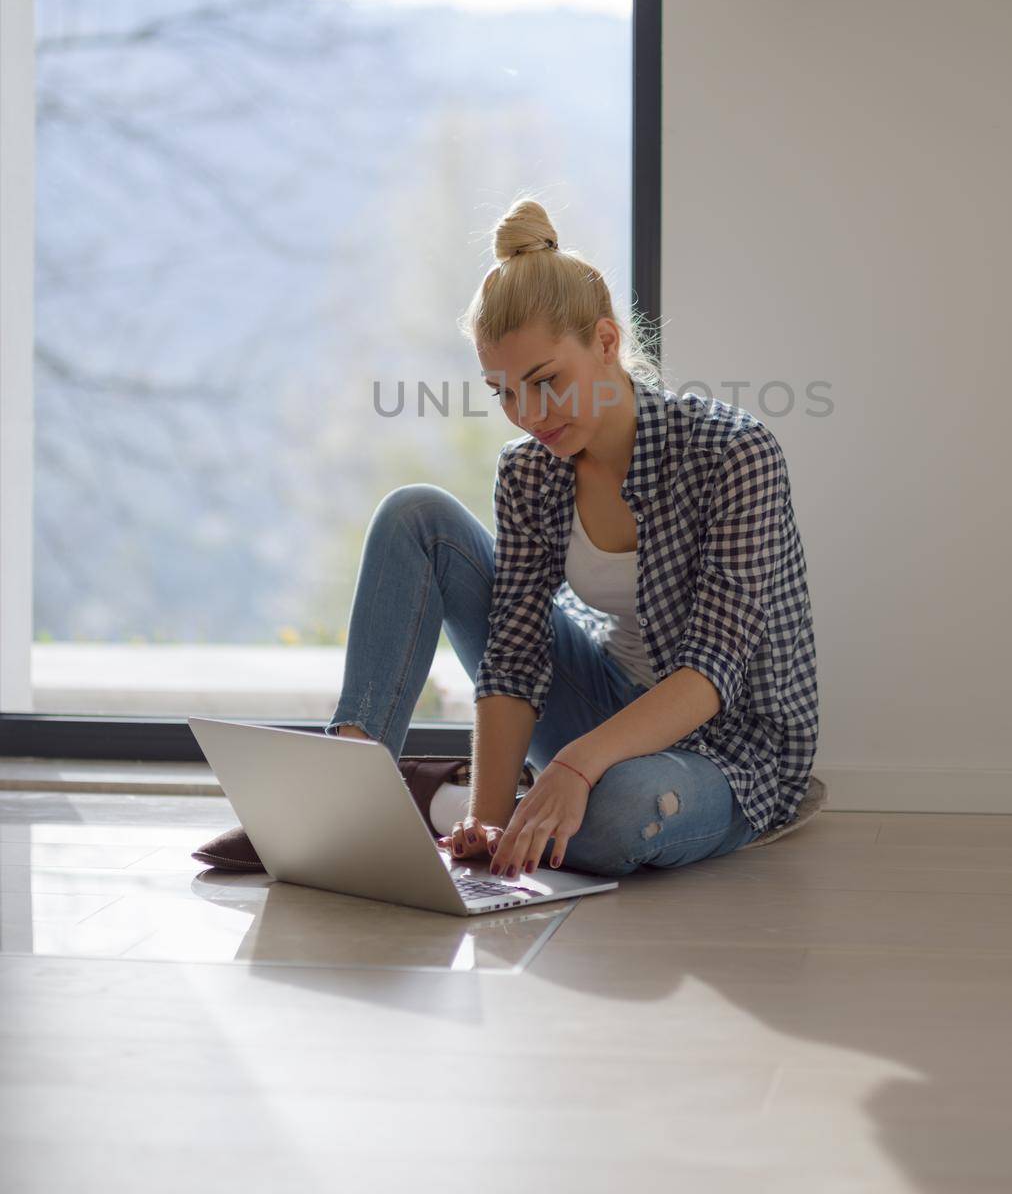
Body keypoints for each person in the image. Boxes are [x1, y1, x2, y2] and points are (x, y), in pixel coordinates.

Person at [324, 195, 820, 880]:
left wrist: (577, 765)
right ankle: (348, 799)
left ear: (607, 342)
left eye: (545, 382)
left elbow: (713, 674)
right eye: (502, 392)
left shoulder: (734, 453)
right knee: (417, 516)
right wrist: (490, 825)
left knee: (613, 817)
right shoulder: (529, 473)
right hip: (603, 704)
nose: (527, 415)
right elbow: (516, 657)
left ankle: (474, 795)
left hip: (726, 748)